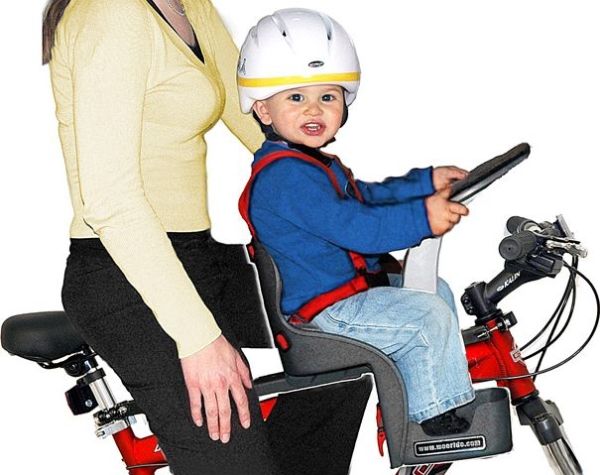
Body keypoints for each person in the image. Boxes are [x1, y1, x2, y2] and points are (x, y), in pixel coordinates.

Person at [42, 1, 371, 474]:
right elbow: (109, 202)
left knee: (351, 335)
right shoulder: (111, 14)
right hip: (126, 274)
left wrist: (348, 212)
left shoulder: (190, 5)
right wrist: (198, 340)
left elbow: (259, 119)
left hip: (198, 257)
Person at [238, 8, 475, 435]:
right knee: (426, 315)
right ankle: (432, 421)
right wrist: (424, 217)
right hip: (327, 312)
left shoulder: (310, 166)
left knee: (435, 290)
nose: (314, 109)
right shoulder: (285, 178)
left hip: (348, 296)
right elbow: (358, 229)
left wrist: (425, 184)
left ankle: (419, 391)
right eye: (296, 98)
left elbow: (367, 197)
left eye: (328, 97)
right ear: (263, 110)